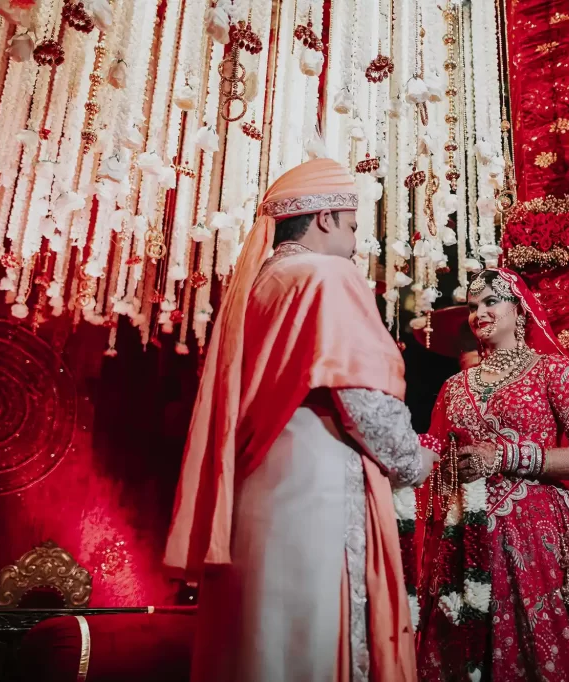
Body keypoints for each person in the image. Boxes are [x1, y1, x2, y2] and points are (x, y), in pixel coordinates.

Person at [164, 157, 434, 682]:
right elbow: (364, 399)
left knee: (256, 644)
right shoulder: (326, 274)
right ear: (327, 218)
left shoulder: (259, 285)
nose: (355, 243)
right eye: (353, 226)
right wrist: (414, 460)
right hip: (314, 490)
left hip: (254, 494)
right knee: (311, 642)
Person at [403, 268, 569, 682]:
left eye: (491, 301)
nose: (480, 313)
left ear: (520, 308)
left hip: (536, 537)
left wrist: (507, 456)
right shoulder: (453, 387)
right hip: (464, 539)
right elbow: (437, 465)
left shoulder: (555, 373)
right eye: (474, 306)